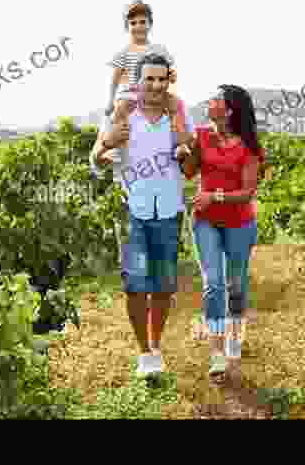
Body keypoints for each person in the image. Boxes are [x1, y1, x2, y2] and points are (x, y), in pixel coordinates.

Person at [91, 52, 190, 377]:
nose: (156, 85)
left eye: (162, 79)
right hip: (133, 209)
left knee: (163, 285)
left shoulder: (177, 113)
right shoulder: (123, 113)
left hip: (169, 210)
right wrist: (107, 145)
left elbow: (190, 165)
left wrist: (184, 148)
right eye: (150, 78)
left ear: (169, 80)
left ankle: (156, 345)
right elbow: (96, 157)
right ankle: (144, 352)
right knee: (135, 285)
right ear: (138, 82)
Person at [175, 84, 264, 380]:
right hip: (205, 221)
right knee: (213, 283)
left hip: (239, 222)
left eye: (215, 99)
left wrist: (214, 196)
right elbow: (189, 171)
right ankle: (216, 352)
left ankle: (235, 333)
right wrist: (182, 152)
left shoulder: (247, 145)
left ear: (228, 110)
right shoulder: (201, 136)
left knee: (235, 284)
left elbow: (248, 191)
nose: (209, 102)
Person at [106, 0, 187, 141]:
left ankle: (180, 142)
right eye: (133, 23)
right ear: (127, 27)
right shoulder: (123, 53)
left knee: (176, 104)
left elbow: (170, 72)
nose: (138, 26)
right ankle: (117, 145)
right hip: (131, 93)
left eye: (143, 22)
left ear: (150, 24)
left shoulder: (159, 49)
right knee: (120, 109)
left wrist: (172, 76)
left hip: (156, 90)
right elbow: (114, 80)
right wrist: (110, 101)